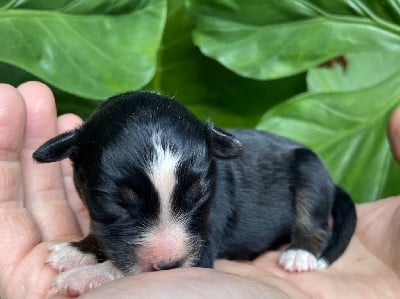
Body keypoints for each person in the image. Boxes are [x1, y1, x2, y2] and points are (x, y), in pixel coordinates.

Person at [0, 81, 398, 299]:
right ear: (72, 159)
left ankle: (311, 240)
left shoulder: (214, 165)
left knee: (307, 168)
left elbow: (198, 257)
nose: (169, 251)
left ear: (213, 151)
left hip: (298, 176)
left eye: (193, 201)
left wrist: (112, 269)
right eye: (121, 204)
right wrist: (92, 244)